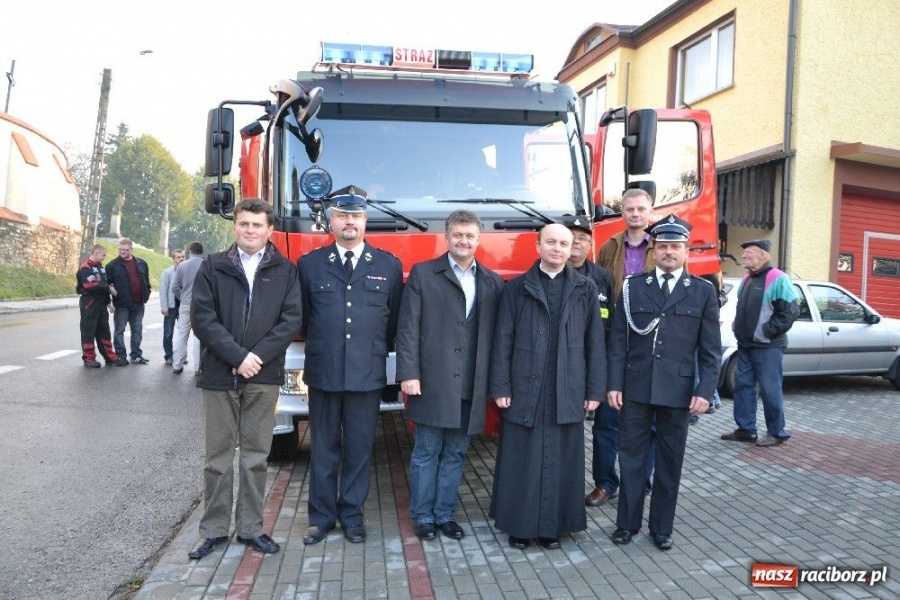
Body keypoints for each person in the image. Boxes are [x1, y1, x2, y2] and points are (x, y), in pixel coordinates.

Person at [186, 199, 302, 560]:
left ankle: (251, 529)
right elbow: (202, 318)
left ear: (270, 230)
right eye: (244, 224)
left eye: (257, 225)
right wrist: (238, 357)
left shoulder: (286, 270)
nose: (250, 231)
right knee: (217, 458)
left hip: (263, 376)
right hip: (220, 375)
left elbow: (291, 320)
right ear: (234, 226)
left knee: (255, 457)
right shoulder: (213, 266)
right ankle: (214, 531)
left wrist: (256, 358)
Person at [607, 214, 721, 551]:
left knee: (670, 463)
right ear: (653, 250)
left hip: (679, 391)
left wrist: (705, 391)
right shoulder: (633, 287)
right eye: (663, 246)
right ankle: (626, 525)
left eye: (676, 246)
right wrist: (614, 384)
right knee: (631, 460)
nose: (669, 252)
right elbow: (617, 342)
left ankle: (661, 529)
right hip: (636, 388)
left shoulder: (702, 292)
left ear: (687, 251)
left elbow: (710, 350)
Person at [488, 223, 605, 550]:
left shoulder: (585, 288)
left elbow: (595, 343)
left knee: (561, 458)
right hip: (525, 385)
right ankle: (520, 528)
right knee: (521, 458)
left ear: (571, 250)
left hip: (567, 386)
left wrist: (594, 391)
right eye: (551, 242)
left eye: (563, 244)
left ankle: (553, 527)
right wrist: (501, 385)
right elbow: (502, 340)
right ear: (538, 246)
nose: (557, 248)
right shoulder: (517, 288)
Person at [298, 185, 403, 546]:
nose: (349, 222)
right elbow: (304, 318)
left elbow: (392, 323)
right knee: (323, 449)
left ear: (365, 221)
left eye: (356, 216)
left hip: (366, 374)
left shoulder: (389, 266)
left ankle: (353, 517)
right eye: (342, 216)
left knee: (359, 451)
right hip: (324, 372)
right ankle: (321, 519)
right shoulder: (309, 265)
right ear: (331, 221)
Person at [396, 210, 503, 542]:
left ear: (478, 239)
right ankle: (423, 516)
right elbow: (408, 328)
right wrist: (408, 373)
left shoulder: (493, 282)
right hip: (432, 381)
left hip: (471, 383)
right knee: (427, 451)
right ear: (447, 237)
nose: (463, 240)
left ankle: (445, 515)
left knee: (456, 453)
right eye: (457, 234)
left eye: (470, 235)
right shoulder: (424, 274)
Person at [588, 188, 657, 507]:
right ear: (622, 211)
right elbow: (600, 289)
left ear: (650, 211)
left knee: (648, 420)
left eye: (641, 208)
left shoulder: (661, 245)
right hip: (614, 340)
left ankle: (640, 481)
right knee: (606, 420)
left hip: (650, 341)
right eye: (629, 208)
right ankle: (605, 483)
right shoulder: (609, 246)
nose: (635, 213)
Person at [721, 239, 799, 448]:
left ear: (764, 255)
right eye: (745, 253)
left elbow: (790, 312)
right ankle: (746, 430)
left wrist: (766, 331)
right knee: (743, 387)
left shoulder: (778, 279)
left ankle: (777, 432)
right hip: (746, 345)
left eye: (749, 253)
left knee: (769, 389)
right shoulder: (747, 279)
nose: (744, 257)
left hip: (768, 347)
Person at [76, 245, 127, 367]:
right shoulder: (85, 267)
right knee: (88, 331)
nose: (104, 258)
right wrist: (109, 289)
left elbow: (102, 285)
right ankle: (89, 359)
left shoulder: (101, 268)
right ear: (97, 253)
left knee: (104, 332)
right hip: (89, 304)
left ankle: (110, 357)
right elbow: (90, 286)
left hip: (101, 305)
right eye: (103, 255)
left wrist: (109, 302)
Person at [105, 238, 151, 364]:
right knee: (119, 330)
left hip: (138, 303)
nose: (122, 252)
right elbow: (107, 285)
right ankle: (121, 356)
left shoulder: (141, 263)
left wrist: (147, 293)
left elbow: (146, 281)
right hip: (122, 304)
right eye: (120, 249)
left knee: (137, 330)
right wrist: (110, 301)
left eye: (125, 250)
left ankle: (136, 355)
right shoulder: (112, 266)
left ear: (131, 249)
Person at [172, 241, 205, 375]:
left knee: (182, 335)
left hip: (185, 304)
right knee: (199, 337)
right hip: (201, 305)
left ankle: (177, 364)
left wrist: (182, 297)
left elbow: (174, 287)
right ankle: (198, 367)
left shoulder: (182, 266)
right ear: (202, 251)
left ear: (190, 251)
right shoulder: (206, 265)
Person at [159, 249, 185, 365]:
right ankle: (169, 356)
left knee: (183, 333)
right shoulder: (167, 272)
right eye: (178, 257)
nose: (181, 259)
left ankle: (179, 356)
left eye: (183, 257)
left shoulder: (186, 271)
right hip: (171, 306)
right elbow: (163, 290)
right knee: (168, 332)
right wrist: (164, 307)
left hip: (183, 307)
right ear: (173, 259)